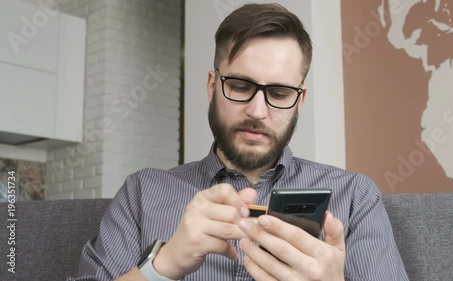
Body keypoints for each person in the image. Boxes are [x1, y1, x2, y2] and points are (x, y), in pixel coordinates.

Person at [70, 3, 409, 281]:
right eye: (241, 86)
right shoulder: (142, 193)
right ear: (212, 86)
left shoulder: (354, 196)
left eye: (278, 93)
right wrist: (163, 265)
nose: (257, 111)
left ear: (299, 100)